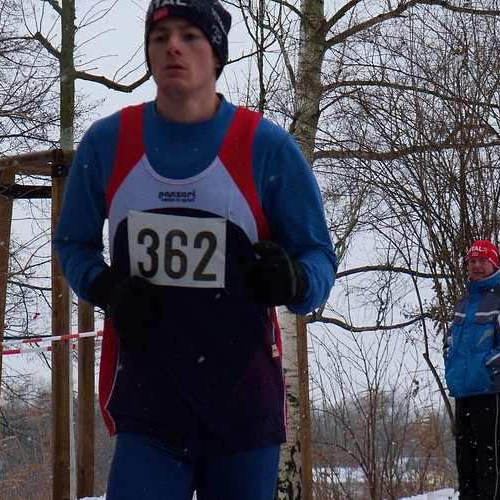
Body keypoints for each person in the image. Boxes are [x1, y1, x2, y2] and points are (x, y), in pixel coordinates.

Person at [53, 0, 337, 497]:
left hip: (242, 408)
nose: (173, 48)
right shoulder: (107, 143)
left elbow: (318, 257)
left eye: (190, 36)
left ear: (217, 54)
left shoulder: (266, 146)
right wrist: (105, 287)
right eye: (160, 38)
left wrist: (294, 280)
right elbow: (72, 243)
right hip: (149, 408)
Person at [443, 240, 500, 499]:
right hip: (464, 391)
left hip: (491, 390)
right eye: (472, 261)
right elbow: (449, 342)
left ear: (494, 264)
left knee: (489, 457)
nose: (477, 266)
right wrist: (453, 369)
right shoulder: (463, 302)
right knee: (466, 460)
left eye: (482, 261)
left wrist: (485, 370)